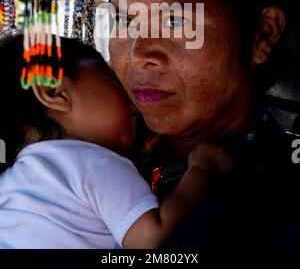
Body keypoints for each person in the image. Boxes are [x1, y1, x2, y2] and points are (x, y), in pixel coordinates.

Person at [109, 0, 300, 254]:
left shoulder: (276, 213)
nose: (138, 55)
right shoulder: (97, 152)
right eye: (126, 20)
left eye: (176, 21)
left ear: (262, 34)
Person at [0, 33, 232, 249]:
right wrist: (204, 168)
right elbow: (152, 236)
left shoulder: (13, 182)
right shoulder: (95, 163)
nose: (130, 92)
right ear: (54, 92)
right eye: (111, 78)